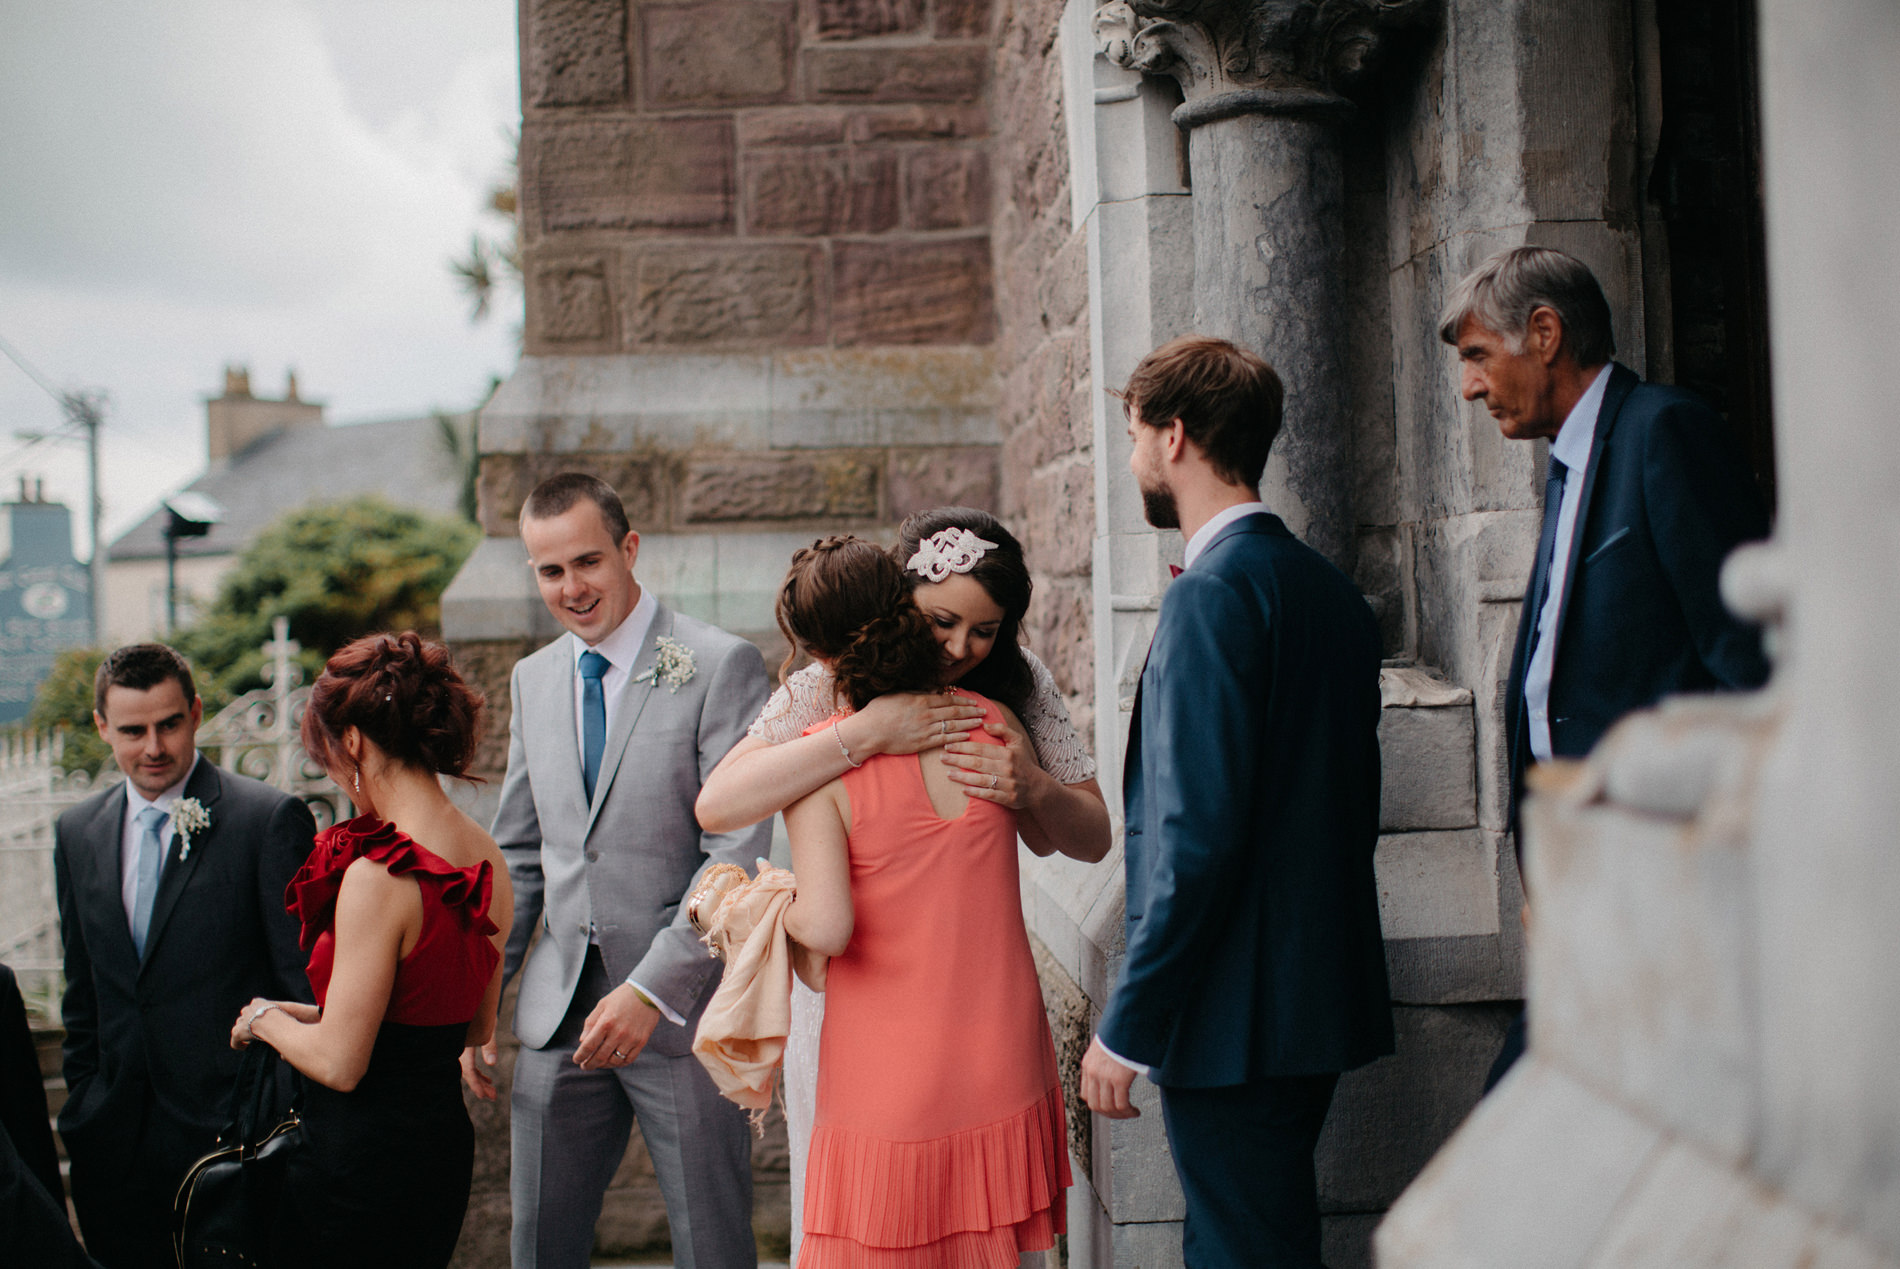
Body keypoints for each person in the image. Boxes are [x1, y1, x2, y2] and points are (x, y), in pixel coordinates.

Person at [694, 507, 1109, 1259]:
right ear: (898, 598)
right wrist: (866, 735)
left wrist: (1032, 784)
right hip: (854, 1005)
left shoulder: (1016, 689)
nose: (960, 647)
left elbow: (1087, 834)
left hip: (954, 1000)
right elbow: (720, 800)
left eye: (985, 631)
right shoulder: (828, 688)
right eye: (944, 621)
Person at [1078, 336, 1393, 1268]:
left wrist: (1128, 1026)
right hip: (1309, 997)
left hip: (1233, 1016)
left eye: (1135, 434)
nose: (1132, 457)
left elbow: (1195, 838)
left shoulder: (1211, 597)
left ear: (1175, 436)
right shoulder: (1329, 590)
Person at [1440, 245, 1770, 1083]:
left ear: (1544, 333)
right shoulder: (1566, 464)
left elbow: (1748, 668)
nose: (1470, 386)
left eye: (1478, 356)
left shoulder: (1664, 432)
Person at [472, 472, 772, 1269]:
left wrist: (650, 990)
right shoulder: (533, 680)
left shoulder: (719, 663)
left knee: (713, 1246)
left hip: (680, 1012)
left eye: (588, 562)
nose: (572, 587)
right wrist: (480, 1000)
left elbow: (739, 852)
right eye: (550, 570)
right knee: (540, 1246)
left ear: (629, 549)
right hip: (556, 1014)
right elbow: (522, 857)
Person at [775, 536, 1071, 1266]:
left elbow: (827, 925)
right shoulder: (994, 721)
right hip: (1001, 1058)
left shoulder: (819, 764)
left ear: (823, 656)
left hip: (890, 1082)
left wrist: (762, 908)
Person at [231, 631, 511, 1268]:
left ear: (353, 740)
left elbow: (342, 1065)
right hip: (438, 1154)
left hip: (357, 1164)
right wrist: (307, 1016)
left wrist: (263, 1020)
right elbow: (468, 1024)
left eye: (327, 751)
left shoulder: (379, 876)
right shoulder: (487, 856)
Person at [53, 643, 317, 1267]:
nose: (153, 747)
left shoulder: (265, 819)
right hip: (113, 1141)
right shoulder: (76, 832)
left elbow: (301, 988)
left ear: (195, 713)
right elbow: (81, 989)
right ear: (101, 728)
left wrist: (271, 1121)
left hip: (230, 1141)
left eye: (168, 724)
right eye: (132, 730)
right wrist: (87, 1103)